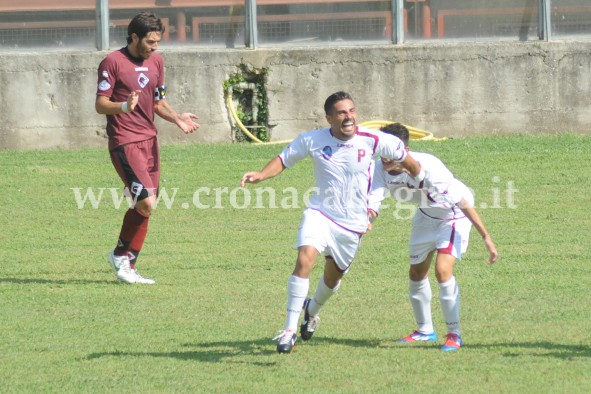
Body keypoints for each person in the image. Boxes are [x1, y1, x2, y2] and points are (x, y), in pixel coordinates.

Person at [240, 92, 436, 353]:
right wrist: (261, 175)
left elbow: (409, 162)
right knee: (304, 260)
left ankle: (312, 310)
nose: (349, 116)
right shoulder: (312, 140)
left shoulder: (374, 140)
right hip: (320, 213)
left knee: (332, 281)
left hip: (352, 225)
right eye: (342, 112)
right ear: (329, 118)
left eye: (352, 110)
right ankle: (288, 330)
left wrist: (425, 182)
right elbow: (284, 159)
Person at [368, 123, 498, 351]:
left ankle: (454, 335)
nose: (385, 160)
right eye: (383, 153)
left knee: (442, 270)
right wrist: (365, 221)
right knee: (417, 272)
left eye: (390, 154)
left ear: (404, 151)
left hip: (453, 216)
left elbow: (463, 202)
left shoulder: (430, 168)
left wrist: (486, 237)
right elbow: (374, 198)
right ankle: (424, 330)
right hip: (426, 214)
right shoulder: (380, 168)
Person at [95, 12, 200, 284]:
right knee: (146, 202)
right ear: (133, 37)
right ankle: (121, 258)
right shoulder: (112, 62)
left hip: (149, 141)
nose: (155, 47)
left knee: (146, 207)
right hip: (125, 140)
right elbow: (100, 104)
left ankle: (125, 260)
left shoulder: (157, 61)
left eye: (157, 42)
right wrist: (122, 107)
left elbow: (157, 102)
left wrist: (177, 118)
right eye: (150, 42)